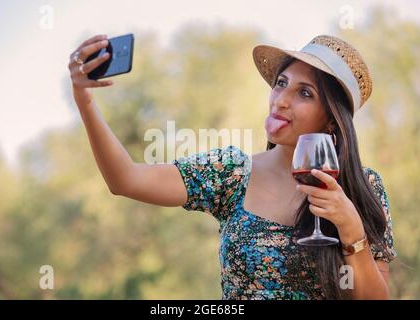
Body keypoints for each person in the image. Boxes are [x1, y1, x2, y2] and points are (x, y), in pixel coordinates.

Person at [68, 34, 397, 300]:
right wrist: (84, 100)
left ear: (331, 121)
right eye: (281, 83)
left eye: (304, 93)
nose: (280, 99)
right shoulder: (231, 173)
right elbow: (125, 180)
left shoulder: (364, 187)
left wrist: (352, 232)